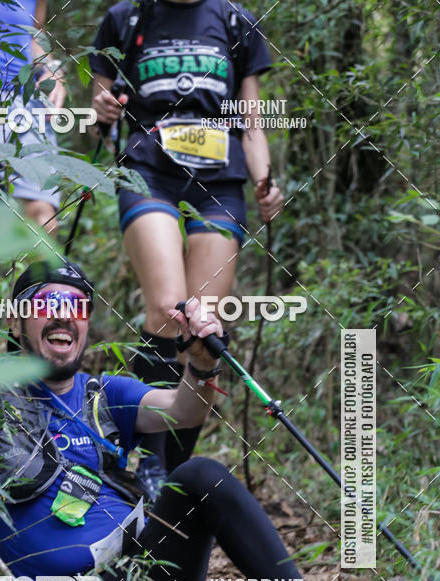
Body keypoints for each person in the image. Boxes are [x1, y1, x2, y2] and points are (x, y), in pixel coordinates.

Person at [0, 258, 356, 581]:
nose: (63, 315)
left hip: (148, 577)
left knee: (202, 474)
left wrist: (202, 366)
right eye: (47, 302)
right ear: (16, 324)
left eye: (76, 306)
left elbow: (181, 411)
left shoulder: (104, 394)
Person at [89, 0, 284, 499]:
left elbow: (251, 119)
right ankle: (141, 454)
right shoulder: (125, 18)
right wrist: (103, 109)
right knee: (167, 308)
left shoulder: (235, 19)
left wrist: (265, 182)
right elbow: (98, 114)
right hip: (148, 170)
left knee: (202, 324)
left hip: (220, 178)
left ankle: (167, 473)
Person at [0, 0, 66, 232]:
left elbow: (35, 33)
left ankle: (39, 269)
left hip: (24, 97)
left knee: (44, 218)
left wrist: (53, 70)